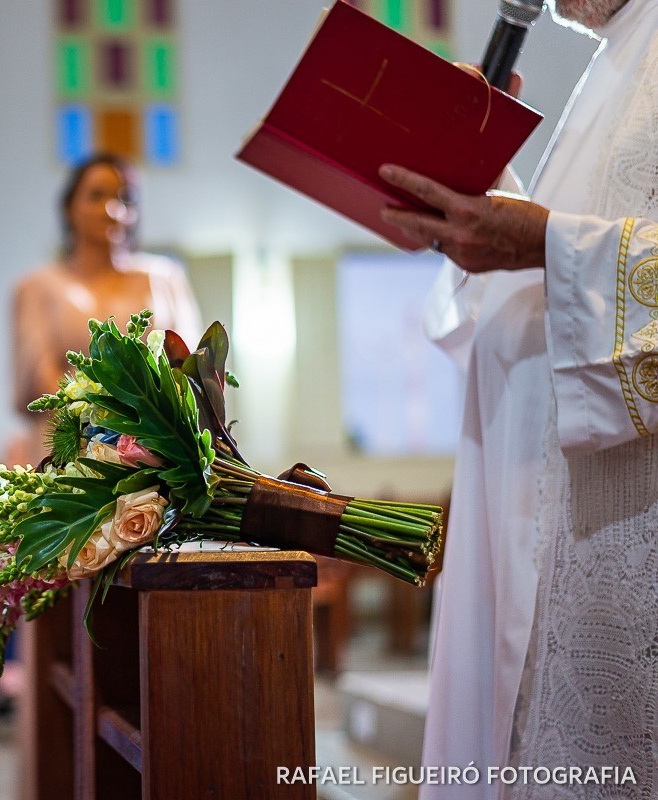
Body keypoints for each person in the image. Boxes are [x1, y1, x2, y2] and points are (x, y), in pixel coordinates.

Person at [378, 1, 658, 795]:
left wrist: (538, 242)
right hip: (538, 508)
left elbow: (560, 250)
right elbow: (553, 277)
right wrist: (481, 195)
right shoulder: (618, 60)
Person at [11, 153, 202, 464]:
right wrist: (106, 428)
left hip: (152, 449)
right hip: (70, 451)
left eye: (125, 198)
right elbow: (40, 376)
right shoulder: (37, 286)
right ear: (69, 208)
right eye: (96, 196)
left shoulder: (164, 277)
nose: (113, 210)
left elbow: (189, 368)